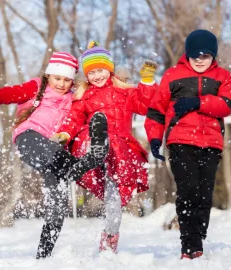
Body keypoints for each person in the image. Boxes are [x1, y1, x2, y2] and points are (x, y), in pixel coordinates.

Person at [0, 52, 109, 259]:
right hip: (29, 139)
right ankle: (82, 165)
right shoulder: (36, 88)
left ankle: (43, 255)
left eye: (67, 80)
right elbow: (2, 95)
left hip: (56, 152)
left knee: (57, 207)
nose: (61, 84)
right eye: (58, 78)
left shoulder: (74, 97)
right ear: (49, 75)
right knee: (58, 157)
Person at [52, 41, 158, 253]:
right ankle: (96, 147)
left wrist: (147, 81)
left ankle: (110, 237)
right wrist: (64, 133)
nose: (96, 76)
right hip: (92, 147)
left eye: (100, 70)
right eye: (91, 72)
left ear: (109, 69)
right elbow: (73, 119)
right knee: (90, 134)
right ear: (86, 76)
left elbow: (146, 105)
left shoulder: (125, 93)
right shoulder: (84, 97)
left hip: (119, 151)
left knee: (114, 202)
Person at [144, 29, 231, 260]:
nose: (199, 60)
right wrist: (155, 138)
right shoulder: (172, 75)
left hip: (211, 143)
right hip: (180, 140)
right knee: (188, 191)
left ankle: (198, 235)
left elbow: (227, 104)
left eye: (205, 56)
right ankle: (190, 245)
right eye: (195, 55)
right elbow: (156, 110)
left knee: (204, 194)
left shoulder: (223, 77)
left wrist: (198, 102)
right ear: (188, 54)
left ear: (213, 56)